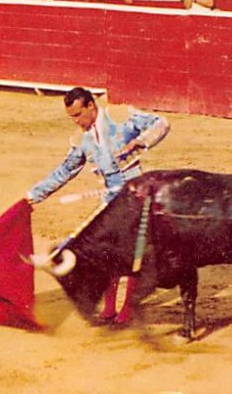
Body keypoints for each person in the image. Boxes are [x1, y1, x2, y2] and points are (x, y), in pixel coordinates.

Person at [26, 87, 170, 324]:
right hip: (109, 199)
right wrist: (34, 195)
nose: (76, 122)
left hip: (136, 195)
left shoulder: (121, 117)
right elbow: (65, 170)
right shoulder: (81, 139)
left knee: (132, 252)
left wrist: (139, 143)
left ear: (91, 106)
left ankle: (127, 309)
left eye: (77, 115)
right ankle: (110, 307)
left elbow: (161, 123)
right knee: (105, 252)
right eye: (71, 117)